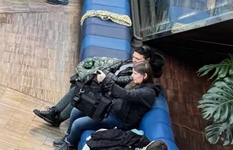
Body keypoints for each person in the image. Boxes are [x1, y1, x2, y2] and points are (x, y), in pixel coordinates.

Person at [34, 44, 163, 127]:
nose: (134, 60)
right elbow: (115, 68)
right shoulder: (132, 63)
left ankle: (58, 117)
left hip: (111, 93)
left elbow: (120, 81)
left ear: (147, 61)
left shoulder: (139, 72)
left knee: (83, 89)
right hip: (109, 85)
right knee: (79, 85)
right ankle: (55, 111)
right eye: (133, 57)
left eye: (138, 59)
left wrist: (105, 77)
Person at [55, 62, 161, 150]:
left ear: (145, 75)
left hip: (119, 121)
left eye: (135, 73)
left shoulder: (147, 93)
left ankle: (70, 144)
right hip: (110, 109)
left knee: (79, 123)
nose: (132, 76)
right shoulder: (137, 83)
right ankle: (68, 137)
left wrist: (105, 80)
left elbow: (126, 94)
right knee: (76, 110)